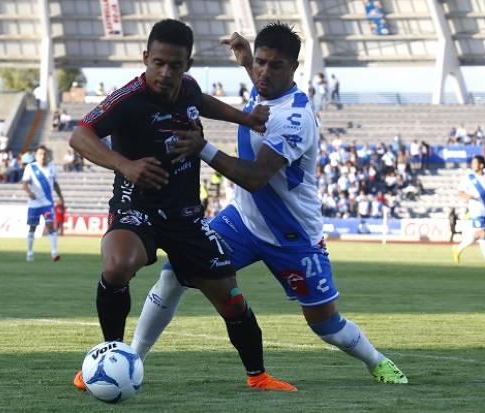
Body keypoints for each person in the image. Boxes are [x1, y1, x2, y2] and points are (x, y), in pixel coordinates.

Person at [131, 24, 408, 385]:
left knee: (326, 325)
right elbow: (262, 81)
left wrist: (203, 147)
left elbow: (255, 178)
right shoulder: (264, 87)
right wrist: (246, 59)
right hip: (243, 221)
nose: (263, 72)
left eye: (274, 66)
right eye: (259, 62)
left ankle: (377, 361)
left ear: (294, 68)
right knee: (173, 274)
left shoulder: (294, 119)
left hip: (292, 235)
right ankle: (131, 359)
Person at [69, 19, 295, 392]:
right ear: (146, 58)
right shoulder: (128, 99)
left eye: (175, 65)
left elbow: (201, 102)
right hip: (136, 206)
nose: (165, 72)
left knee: (232, 299)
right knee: (117, 266)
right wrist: (125, 165)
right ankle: (107, 357)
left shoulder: (188, 89)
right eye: (158, 63)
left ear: (187, 65)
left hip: (186, 215)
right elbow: (80, 135)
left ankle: (258, 376)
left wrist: (245, 117)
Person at [452, 155, 485, 267]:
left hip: (484, 209)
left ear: (481, 165)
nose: (472, 165)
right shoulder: (469, 178)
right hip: (475, 210)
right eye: (472, 163)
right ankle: (459, 248)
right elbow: (459, 192)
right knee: (481, 232)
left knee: (481, 236)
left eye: (474, 163)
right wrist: (468, 196)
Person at [21, 145, 64, 262]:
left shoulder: (51, 168)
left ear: (47, 155)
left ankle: (54, 253)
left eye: (44, 154)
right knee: (32, 227)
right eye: (40, 154)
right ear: (36, 156)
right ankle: (29, 253)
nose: (43, 156)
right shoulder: (30, 168)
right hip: (34, 204)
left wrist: (61, 198)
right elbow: (24, 183)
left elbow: (55, 184)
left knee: (50, 225)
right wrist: (29, 192)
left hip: (47, 204)